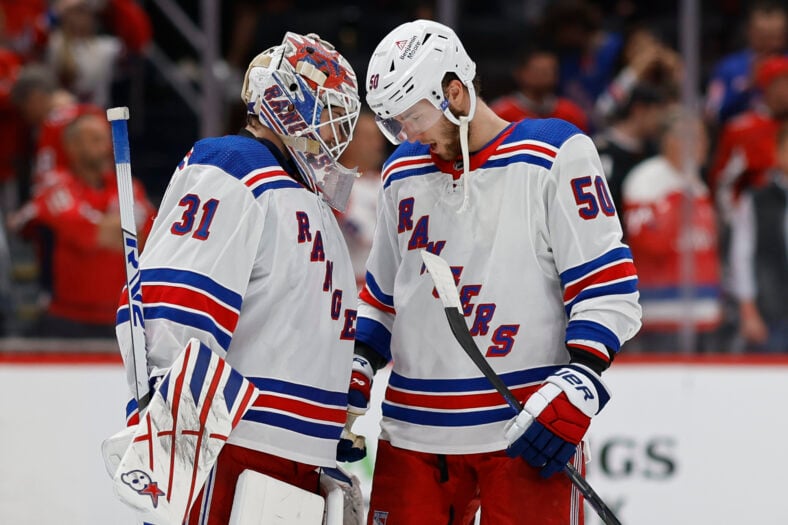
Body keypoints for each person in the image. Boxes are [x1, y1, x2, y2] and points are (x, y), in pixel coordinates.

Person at [347, 19, 641, 524]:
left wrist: (581, 380)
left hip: (524, 434)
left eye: (414, 117)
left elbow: (607, 287)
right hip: (413, 438)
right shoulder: (402, 173)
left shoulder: (554, 154)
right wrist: (356, 366)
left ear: (455, 92)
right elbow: (381, 296)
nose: (409, 135)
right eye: (396, 124)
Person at [116, 32, 361, 524]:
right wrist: (170, 421)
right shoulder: (232, 164)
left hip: (296, 460)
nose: (337, 132)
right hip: (228, 444)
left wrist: (326, 437)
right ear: (288, 101)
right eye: (328, 110)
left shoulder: (315, 204)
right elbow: (179, 295)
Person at [8, 112, 154, 338]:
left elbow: (147, 237)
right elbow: (87, 234)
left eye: (106, 139)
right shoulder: (55, 185)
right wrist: (114, 228)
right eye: (95, 140)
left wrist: (103, 226)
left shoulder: (128, 185)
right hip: (66, 320)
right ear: (73, 147)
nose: (106, 147)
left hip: (122, 318)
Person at [622, 111, 721, 352]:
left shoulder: (697, 184)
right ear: (670, 141)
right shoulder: (646, 180)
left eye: (703, 138)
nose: (703, 145)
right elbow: (649, 243)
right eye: (694, 137)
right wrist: (678, 198)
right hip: (662, 318)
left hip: (703, 315)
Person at [728, 124, 788, 352]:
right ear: (778, 152)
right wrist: (748, 310)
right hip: (771, 312)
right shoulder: (756, 200)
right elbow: (740, 257)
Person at [594, 83, 668, 234]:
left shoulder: (653, 151)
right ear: (639, 110)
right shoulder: (601, 150)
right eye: (656, 114)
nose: (659, 122)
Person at [705, 1, 787, 125]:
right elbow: (712, 112)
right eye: (763, 36)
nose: (770, 44)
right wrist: (748, 85)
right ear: (749, 32)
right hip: (740, 137)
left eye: (776, 37)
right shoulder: (728, 67)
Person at [337, 109, 386, 289]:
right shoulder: (335, 183)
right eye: (368, 137)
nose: (377, 144)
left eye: (378, 137)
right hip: (352, 290)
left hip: (389, 293)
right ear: (349, 141)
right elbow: (363, 233)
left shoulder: (389, 181)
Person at [490, 46, 589, 132]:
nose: (544, 75)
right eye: (538, 70)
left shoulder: (571, 112)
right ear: (519, 73)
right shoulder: (500, 113)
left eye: (549, 71)